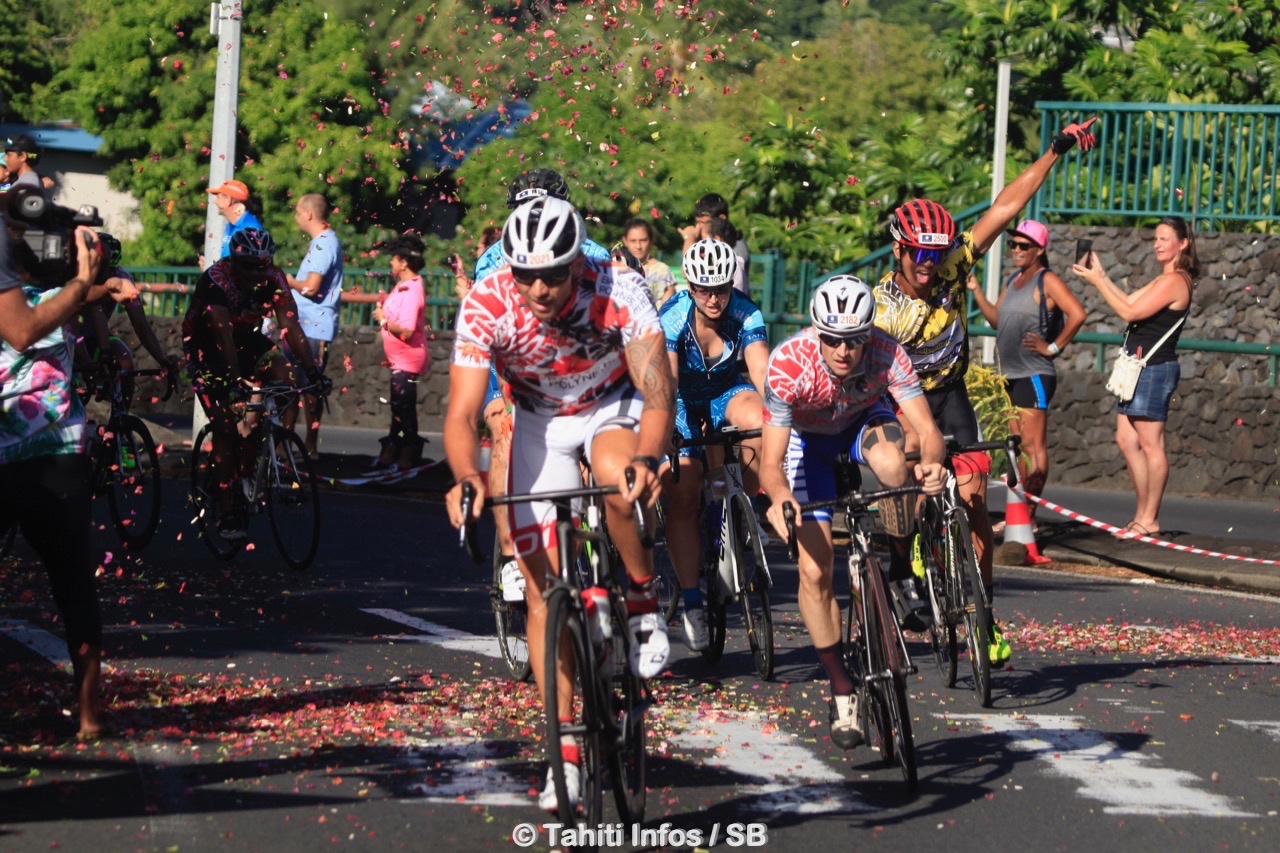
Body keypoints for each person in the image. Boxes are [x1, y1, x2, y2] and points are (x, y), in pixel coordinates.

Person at [444, 196, 676, 812]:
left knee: (614, 473)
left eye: (554, 274)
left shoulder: (619, 287)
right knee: (544, 593)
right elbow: (463, 411)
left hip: (611, 404)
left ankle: (643, 597)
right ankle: (565, 755)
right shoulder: (487, 303)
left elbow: (658, 393)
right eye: (526, 275)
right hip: (538, 420)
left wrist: (649, 459)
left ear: (580, 263)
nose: (540, 288)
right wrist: (467, 474)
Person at [873, 116, 1098, 666]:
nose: (929, 266)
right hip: (902, 399)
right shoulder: (880, 307)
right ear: (899, 251)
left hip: (950, 392)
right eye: (918, 256)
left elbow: (1004, 207)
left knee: (973, 496)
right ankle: (904, 562)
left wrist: (1054, 150)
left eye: (935, 255)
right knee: (903, 472)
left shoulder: (952, 263)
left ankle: (984, 615)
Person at [760, 276, 945, 750]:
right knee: (815, 572)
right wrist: (781, 500)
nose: (844, 351)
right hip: (808, 444)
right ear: (816, 331)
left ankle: (903, 570)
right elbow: (770, 462)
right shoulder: (788, 365)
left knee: (894, 461)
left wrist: (932, 465)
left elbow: (926, 428)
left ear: (869, 334)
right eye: (833, 340)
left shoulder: (887, 352)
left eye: (855, 340)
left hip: (864, 422)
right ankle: (842, 687)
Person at [1, 216, 136, 738]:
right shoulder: (62, 298)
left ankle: (88, 715)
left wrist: (101, 284)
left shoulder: (50, 296)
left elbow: (79, 297)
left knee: (75, 584)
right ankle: (88, 715)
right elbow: (66, 304)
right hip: (59, 454)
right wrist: (95, 281)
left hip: (27, 456)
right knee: (74, 585)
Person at [471, 168, 613, 602]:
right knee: (505, 432)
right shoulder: (494, 259)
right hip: (513, 364)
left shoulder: (593, 253)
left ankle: (607, 540)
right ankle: (513, 558)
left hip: (576, 362)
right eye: (523, 210)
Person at [181, 227, 331, 540]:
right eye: (248, 265)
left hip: (247, 341)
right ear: (234, 261)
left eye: (262, 265)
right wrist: (236, 382)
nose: (255, 272)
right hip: (207, 348)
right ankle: (226, 510)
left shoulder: (273, 277)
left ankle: (268, 449)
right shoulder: (216, 279)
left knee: (287, 379)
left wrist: (313, 372)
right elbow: (222, 336)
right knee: (223, 426)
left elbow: (290, 325)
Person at [659, 238, 768, 651]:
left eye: (721, 288)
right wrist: (670, 431)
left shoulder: (745, 311)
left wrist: (782, 415)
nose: (714, 298)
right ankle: (691, 603)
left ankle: (750, 505)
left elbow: (761, 371)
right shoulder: (672, 318)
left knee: (760, 419)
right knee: (684, 491)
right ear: (690, 286)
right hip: (682, 398)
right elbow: (666, 386)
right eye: (704, 290)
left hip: (726, 391)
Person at [1071, 216, 1198, 538]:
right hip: (1138, 368)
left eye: (1165, 238)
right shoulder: (1162, 279)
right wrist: (1100, 275)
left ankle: (1149, 518)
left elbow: (1129, 313)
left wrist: (1099, 283)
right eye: (1156, 238)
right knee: (1126, 439)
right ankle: (1141, 515)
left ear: (1183, 243)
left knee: (1151, 444)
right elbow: (1128, 301)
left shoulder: (1176, 281)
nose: (1157, 243)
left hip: (1155, 368)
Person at [967, 220, 1086, 522]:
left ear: (1039, 249)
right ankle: (1017, 516)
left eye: (1024, 246)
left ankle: (1027, 515)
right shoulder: (1012, 280)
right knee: (1017, 449)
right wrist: (977, 290)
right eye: (1013, 245)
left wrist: (1053, 348)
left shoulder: (1046, 280)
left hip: (1034, 374)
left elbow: (1078, 313)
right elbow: (996, 320)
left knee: (1034, 447)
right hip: (1011, 375)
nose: (1017, 250)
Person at [76, 233, 181, 407]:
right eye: (100, 269)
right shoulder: (82, 273)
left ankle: (121, 415)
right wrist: (104, 352)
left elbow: (140, 323)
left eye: (108, 271)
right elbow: (96, 312)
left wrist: (161, 358)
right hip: (71, 335)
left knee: (125, 359)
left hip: (94, 335)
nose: (103, 275)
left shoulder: (121, 277)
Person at [282, 193, 344, 460]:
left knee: (308, 388)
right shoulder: (323, 242)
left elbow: (312, 286)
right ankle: (287, 444)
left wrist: (288, 281)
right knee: (294, 386)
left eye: (297, 212)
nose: (296, 217)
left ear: (309, 214)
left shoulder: (323, 245)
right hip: (305, 325)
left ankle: (308, 447)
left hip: (313, 327)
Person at [367, 235, 429, 476]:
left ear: (404, 263)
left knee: (403, 410)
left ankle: (406, 457)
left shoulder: (413, 289)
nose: (391, 263)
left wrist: (384, 319)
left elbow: (408, 329)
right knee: (399, 409)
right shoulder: (403, 286)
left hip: (408, 360)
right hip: (399, 359)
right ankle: (393, 452)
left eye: (394, 259)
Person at [678, 192, 751, 285]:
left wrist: (689, 238)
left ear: (722, 218)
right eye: (697, 222)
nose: (698, 228)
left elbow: (690, 272)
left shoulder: (734, 250)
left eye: (704, 222)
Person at [622, 217, 677, 307]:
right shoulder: (618, 268)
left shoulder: (662, 271)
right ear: (625, 241)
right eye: (633, 241)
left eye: (643, 240)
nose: (638, 246)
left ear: (651, 240)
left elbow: (669, 309)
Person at [205, 179, 264, 262]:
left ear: (228, 199)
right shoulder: (232, 226)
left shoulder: (250, 228)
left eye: (218, 197)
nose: (215, 201)